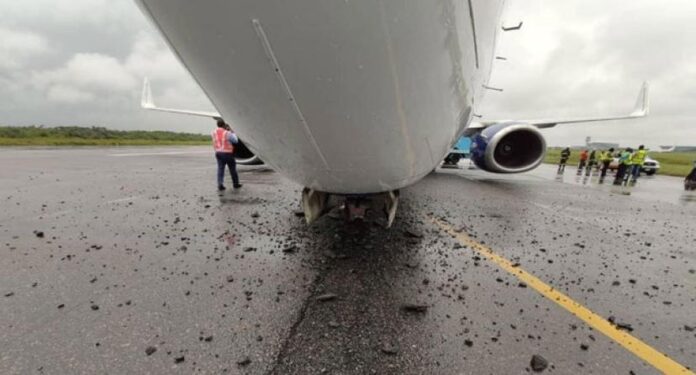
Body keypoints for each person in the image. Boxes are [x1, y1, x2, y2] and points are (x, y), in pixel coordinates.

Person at [212, 119, 241, 191]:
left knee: (220, 169)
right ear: (224, 125)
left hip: (218, 153)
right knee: (232, 169)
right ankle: (235, 184)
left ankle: (220, 184)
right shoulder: (227, 133)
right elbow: (235, 141)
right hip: (227, 153)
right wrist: (232, 132)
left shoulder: (213, 132)